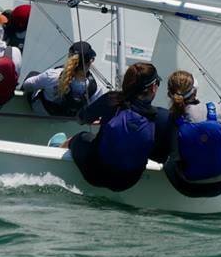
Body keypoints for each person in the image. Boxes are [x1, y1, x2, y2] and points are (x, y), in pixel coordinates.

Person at [64, 62, 171, 192]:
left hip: (93, 174)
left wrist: (98, 117)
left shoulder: (111, 99)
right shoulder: (162, 118)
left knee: (80, 137)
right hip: (125, 183)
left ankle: (58, 146)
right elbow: (162, 155)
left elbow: (81, 119)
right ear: (153, 87)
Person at [162, 70, 221, 197]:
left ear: (170, 94)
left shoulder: (172, 120)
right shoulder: (216, 109)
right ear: (195, 91)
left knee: (167, 161)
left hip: (190, 187)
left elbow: (175, 156)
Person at [21, 40, 103, 117]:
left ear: (70, 57)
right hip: (64, 120)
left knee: (33, 74)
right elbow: (93, 111)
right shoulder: (96, 88)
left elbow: (27, 85)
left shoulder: (52, 75)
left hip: (42, 112)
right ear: (91, 61)